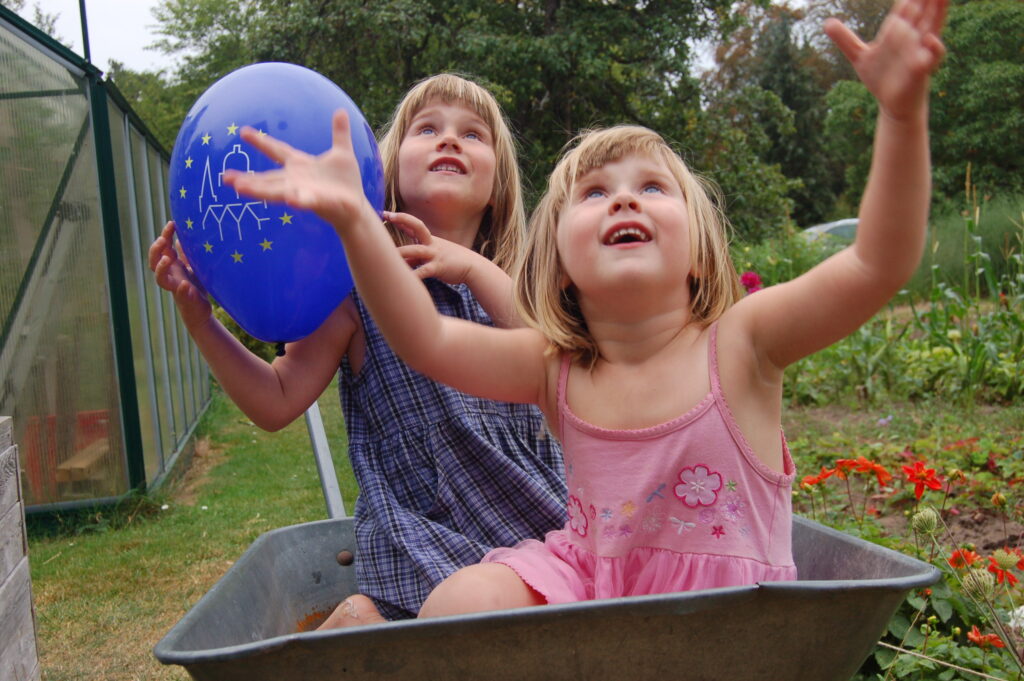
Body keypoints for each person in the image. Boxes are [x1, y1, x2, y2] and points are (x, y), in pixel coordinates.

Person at [224, 0, 947, 618]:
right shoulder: (557, 366)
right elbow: (425, 339)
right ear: (559, 265)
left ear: (699, 250)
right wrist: (356, 220)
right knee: (455, 606)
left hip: (729, 608)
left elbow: (876, 263)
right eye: (594, 193)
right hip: (590, 585)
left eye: (652, 188)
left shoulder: (743, 341)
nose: (624, 197)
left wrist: (902, 114)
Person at [149, 73, 567, 625]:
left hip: (540, 529)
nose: (449, 139)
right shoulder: (352, 293)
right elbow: (276, 400)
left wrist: (472, 269)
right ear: (384, 172)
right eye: (427, 129)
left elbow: (560, 351)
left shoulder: (526, 286)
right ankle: (364, 626)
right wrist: (203, 323)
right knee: (383, 619)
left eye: (473, 133)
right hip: (421, 546)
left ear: (499, 188)